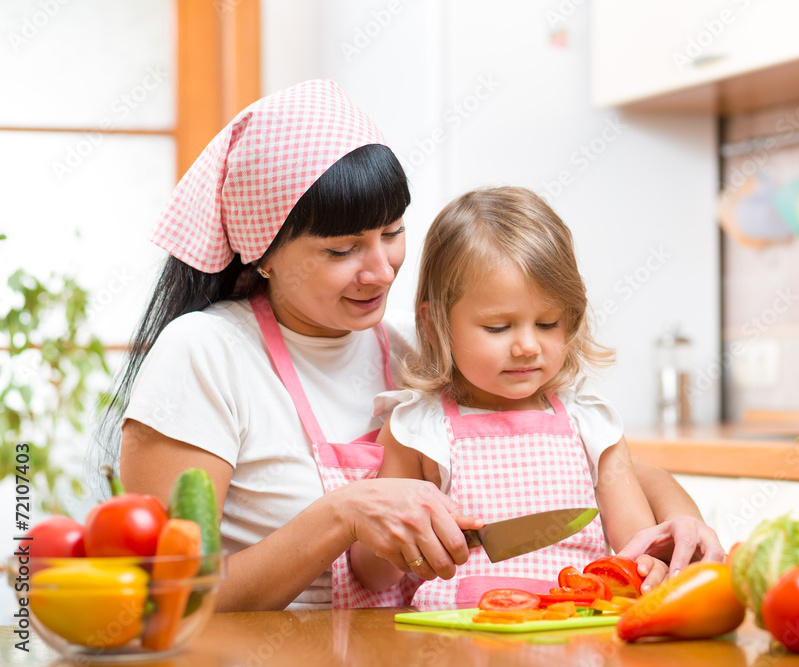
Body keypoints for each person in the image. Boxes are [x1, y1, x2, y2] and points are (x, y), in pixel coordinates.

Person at [98, 80, 723, 613]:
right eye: (342, 250)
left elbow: (580, 458)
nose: (381, 270)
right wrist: (344, 513)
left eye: (392, 233)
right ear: (263, 252)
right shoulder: (205, 354)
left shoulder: (415, 350)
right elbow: (170, 597)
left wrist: (679, 520)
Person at [347, 187, 682, 609]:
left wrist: (650, 567)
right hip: (460, 639)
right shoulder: (417, 430)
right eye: (498, 327)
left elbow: (637, 547)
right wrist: (403, 543)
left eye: (547, 323)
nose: (527, 345)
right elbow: (372, 575)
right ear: (433, 325)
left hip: (576, 631)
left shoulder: (592, 425)